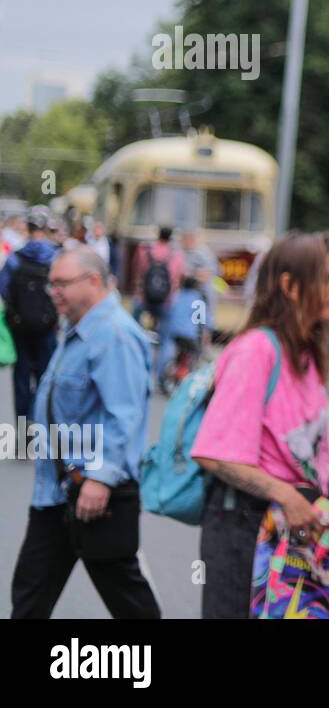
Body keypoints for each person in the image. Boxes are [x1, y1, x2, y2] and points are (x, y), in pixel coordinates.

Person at [190, 232, 329, 619]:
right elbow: (213, 453)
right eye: (326, 278)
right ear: (289, 285)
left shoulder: (306, 354)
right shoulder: (255, 351)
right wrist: (288, 497)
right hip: (245, 531)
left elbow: (290, 452)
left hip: (296, 537)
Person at [10, 248, 162, 619]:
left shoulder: (113, 335)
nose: (53, 292)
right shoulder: (78, 328)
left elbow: (123, 415)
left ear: (93, 281)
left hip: (91, 493)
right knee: (30, 594)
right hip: (58, 491)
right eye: (52, 284)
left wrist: (101, 479)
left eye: (62, 283)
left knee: (127, 598)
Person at [0, 206, 61, 421]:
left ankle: (23, 432)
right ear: (45, 227)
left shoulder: (15, 258)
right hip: (47, 328)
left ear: (28, 226)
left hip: (20, 328)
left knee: (22, 379)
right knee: (45, 378)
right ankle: (40, 425)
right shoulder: (56, 257)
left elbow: (4, 289)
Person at [131, 226, 185, 328]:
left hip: (144, 297)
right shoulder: (176, 254)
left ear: (158, 234)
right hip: (166, 300)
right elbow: (180, 276)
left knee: (135, 322)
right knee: (165, 334)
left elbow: (136, 269)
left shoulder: (145, 249)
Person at [179, 228, 220, 319]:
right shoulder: (182, 252)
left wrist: (190, 275)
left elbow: (206, 274)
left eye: (184, 239)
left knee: (201, 322)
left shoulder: (201, 253)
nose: (181, 242)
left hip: (201, 294)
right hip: (190, 296)